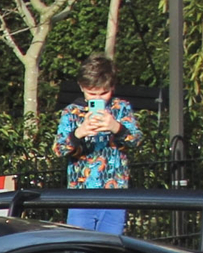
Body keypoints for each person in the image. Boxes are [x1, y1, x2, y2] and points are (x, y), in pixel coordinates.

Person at [54, 54, 141, 234]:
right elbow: (59, 148)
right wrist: (79, 133)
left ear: (112, 87)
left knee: (110, 247)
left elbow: (136, 140)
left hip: (115, 194)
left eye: (104, 93)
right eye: (92, 94)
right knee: (80, 245)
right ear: (82, 87)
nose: (99, 98)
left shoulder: (121, 108)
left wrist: (117, 128)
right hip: (81, 195)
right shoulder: (72, 112)